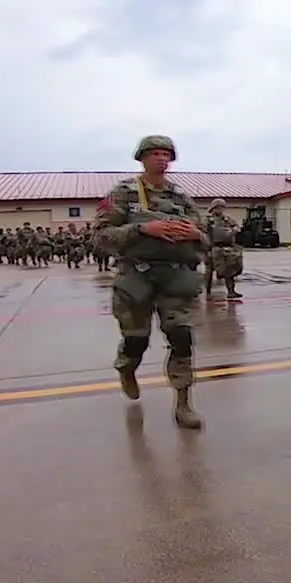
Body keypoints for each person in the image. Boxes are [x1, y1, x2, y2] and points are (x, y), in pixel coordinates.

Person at [94, 134, 208, 429]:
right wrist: (144, 229)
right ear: (142, 158)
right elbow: (102, 236)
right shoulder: (122, 193)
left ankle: (183, 403)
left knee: (182, 338)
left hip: (176, 277)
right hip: (137, 276)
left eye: (166, 154)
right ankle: (127, 367)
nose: (161, 159)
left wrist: (197, 236)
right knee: (136, 339)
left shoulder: (182, 198)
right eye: (155, 153)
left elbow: (205, 237)